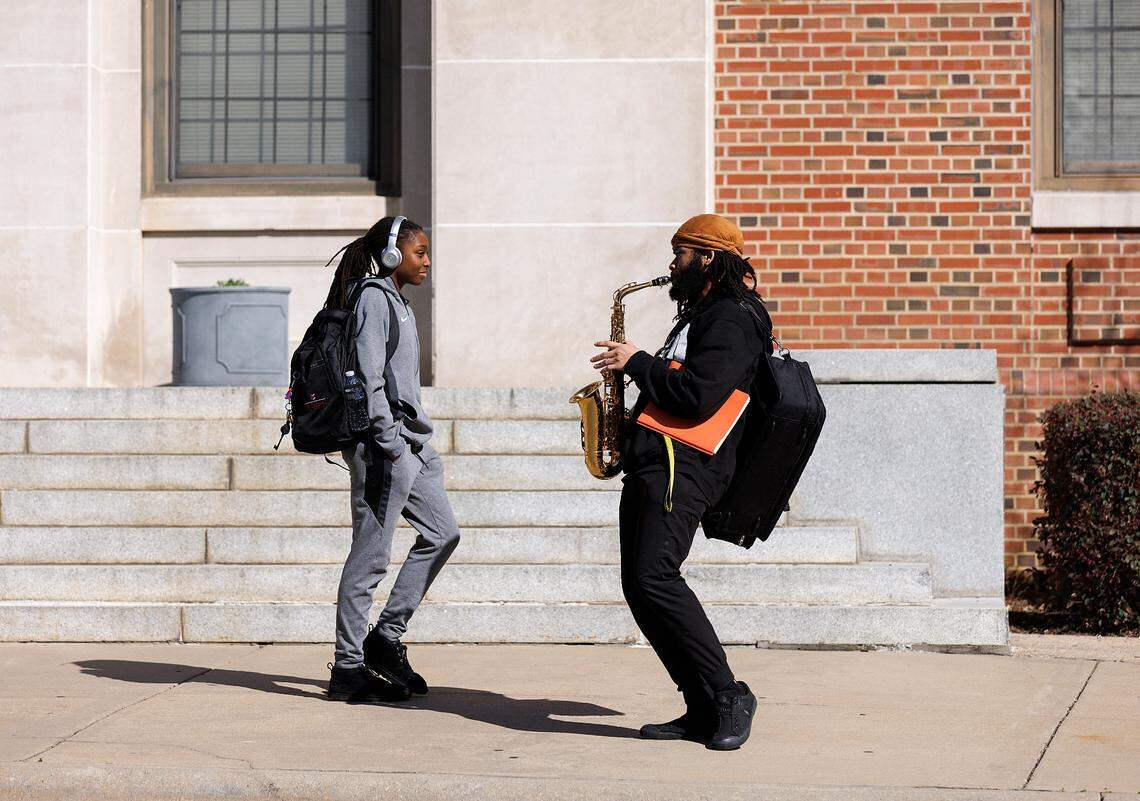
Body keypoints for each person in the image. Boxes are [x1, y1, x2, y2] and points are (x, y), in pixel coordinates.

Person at [590, 214, 772, 750]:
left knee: (656, 579)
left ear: (708, 257)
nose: (672, 265)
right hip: (658, 462)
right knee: (640, 585)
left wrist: (637, 361)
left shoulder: (733, 319)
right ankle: (700, 706)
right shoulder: (702, 314)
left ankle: (728, 694)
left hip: (685, 467)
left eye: (681, 254)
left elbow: (698, 394)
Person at [324, 216, 461, 703]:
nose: (427, 261)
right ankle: (347, 668)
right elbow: (366, 378)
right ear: (391, 253)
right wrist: (391, 445)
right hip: (383, 448)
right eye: (419, 252)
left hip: (412, 446)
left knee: (443, 533)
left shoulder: (399, 303)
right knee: (371, 555)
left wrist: (417, 446)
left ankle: (385, 638)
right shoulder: (373, 299)